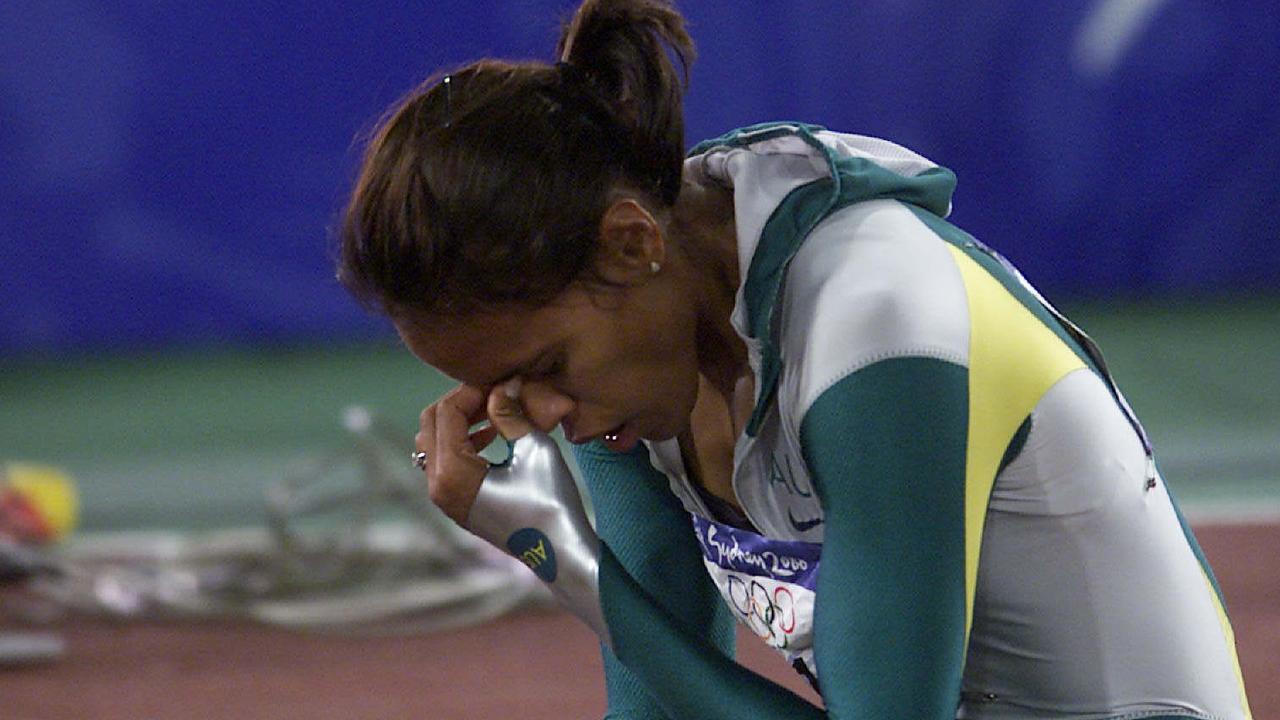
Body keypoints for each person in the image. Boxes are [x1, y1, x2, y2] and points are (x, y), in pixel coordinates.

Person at [336, 1, 1253, 717]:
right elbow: (656, 706)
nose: (534, 415)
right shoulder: (628, 355)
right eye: (501, 389)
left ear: (630, 242)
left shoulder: (877, 322)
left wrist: (560, 555)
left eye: (541, 368)